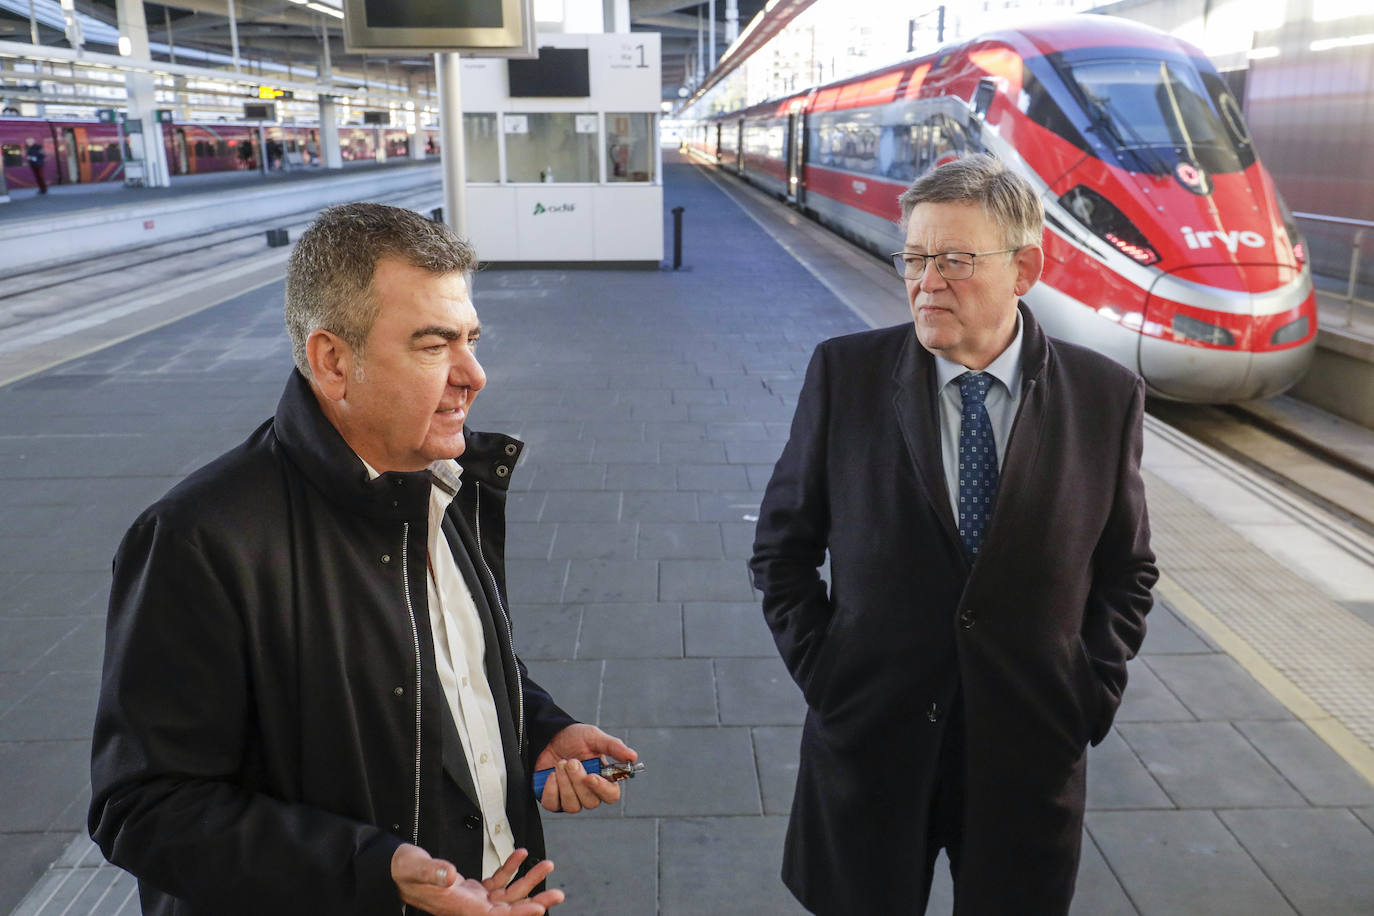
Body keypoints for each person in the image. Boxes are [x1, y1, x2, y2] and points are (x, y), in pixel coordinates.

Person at [90, 202, 637, 916]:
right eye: (434, 345)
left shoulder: (444, 482)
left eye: (472, 338)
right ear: (333, 362)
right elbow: (143, 807)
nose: (474, 374)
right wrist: (370, 872)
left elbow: (443, 661)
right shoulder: (201, 539)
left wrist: (537, 730)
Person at [750, 154, 1157, 915]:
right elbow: (782, 550)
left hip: (1027, 756)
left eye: (956, 260)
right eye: (914, 257)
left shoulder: (1104, 398)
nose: (925, 281)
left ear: (1024, 268)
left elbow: (1126, 569)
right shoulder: (846, 374)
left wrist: (1087, 693)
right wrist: (829, 675)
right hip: (871, 745)